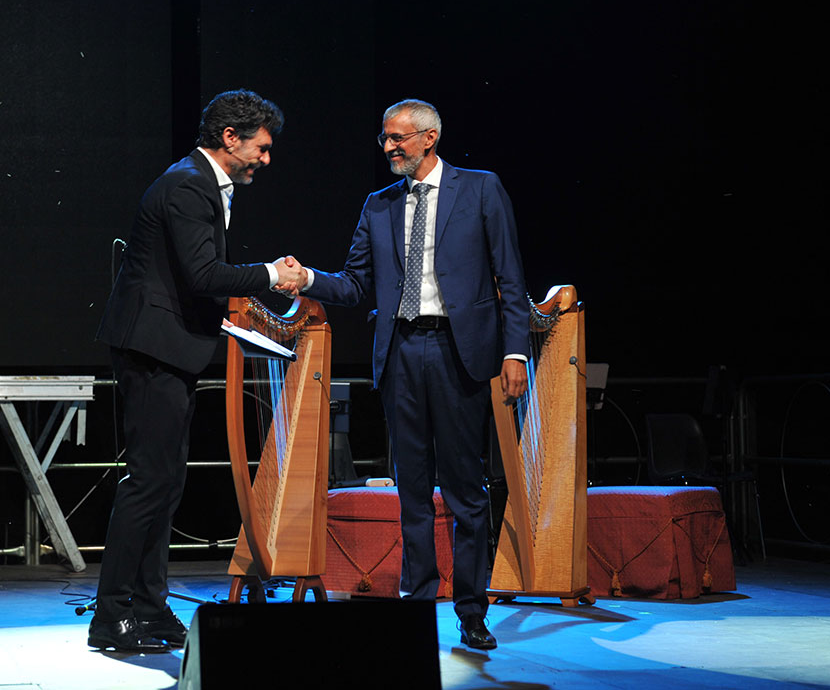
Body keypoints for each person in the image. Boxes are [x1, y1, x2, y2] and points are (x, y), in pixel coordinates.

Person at [287, 99, 530, 650]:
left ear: (430, 137)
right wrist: (309, 280)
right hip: (400, 352)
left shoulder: (480, 189)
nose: (389, 147)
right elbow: (355, 283)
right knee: (412, 489)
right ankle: (417, 607)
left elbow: (510, 277)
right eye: (385, 138)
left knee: (466, 490)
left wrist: (515, 352)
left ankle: (471, 610)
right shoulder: (379, 205)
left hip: (458, 351)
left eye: (398, 138)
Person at [89, 89, 306, 652]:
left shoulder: (202, 183)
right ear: (230, 138)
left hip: (169, 348)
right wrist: (270, 274)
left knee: (166, 483)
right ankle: (111, 616)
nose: (266, 159)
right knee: (149, 482)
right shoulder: (188, 184)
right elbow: (203, 274)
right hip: (152, 348)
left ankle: (149, 608)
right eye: (261, 147)